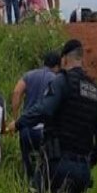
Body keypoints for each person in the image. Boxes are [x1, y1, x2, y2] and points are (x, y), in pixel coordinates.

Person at [7, 40, 97, 193]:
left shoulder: (62, 81)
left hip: (56, 165)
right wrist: (88, 162)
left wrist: (18, 123)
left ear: (64, 60)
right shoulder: (94, 90)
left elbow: (44, 110)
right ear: (81, 59)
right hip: (83, 170)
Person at [11, 51, 61, 180]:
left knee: (27, 163)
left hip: (26, 129)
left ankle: (27, 184)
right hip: (45, 130)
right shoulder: (56, 80)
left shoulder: (29, 75)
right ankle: (41, 190)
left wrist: (16, 119)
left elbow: (17, 92)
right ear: (57, 66)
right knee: (46, 165)